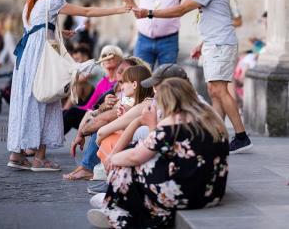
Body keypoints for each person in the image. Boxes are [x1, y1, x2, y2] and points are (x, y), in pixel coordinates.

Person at [7, 0, 130, 172]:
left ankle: (16, 154)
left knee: (26, 100)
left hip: (26, 57)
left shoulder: (31, 1)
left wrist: (60, 33)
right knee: (47, 96)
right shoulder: (53, 0)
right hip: (42, 58)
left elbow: (37, 29)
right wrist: (119, 10)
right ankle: (39, 158)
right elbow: (87, 12)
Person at [133, 0, 252, 154]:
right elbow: (215, 18)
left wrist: (149, 13)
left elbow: (181, 9)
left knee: (220, 90)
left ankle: (241, 136)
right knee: (215, 91)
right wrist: (202, 44)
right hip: (214, 42)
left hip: (220, 43)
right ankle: (218, 136)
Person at [87, 77, 229, 228]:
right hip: (211, 193)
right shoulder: (212, 120)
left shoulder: (173, 123)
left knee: (129, 160)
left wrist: (114, 158)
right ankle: (114, 203)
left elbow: (136, 157)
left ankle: (114, 209)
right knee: (136, 154)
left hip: (185, 195)